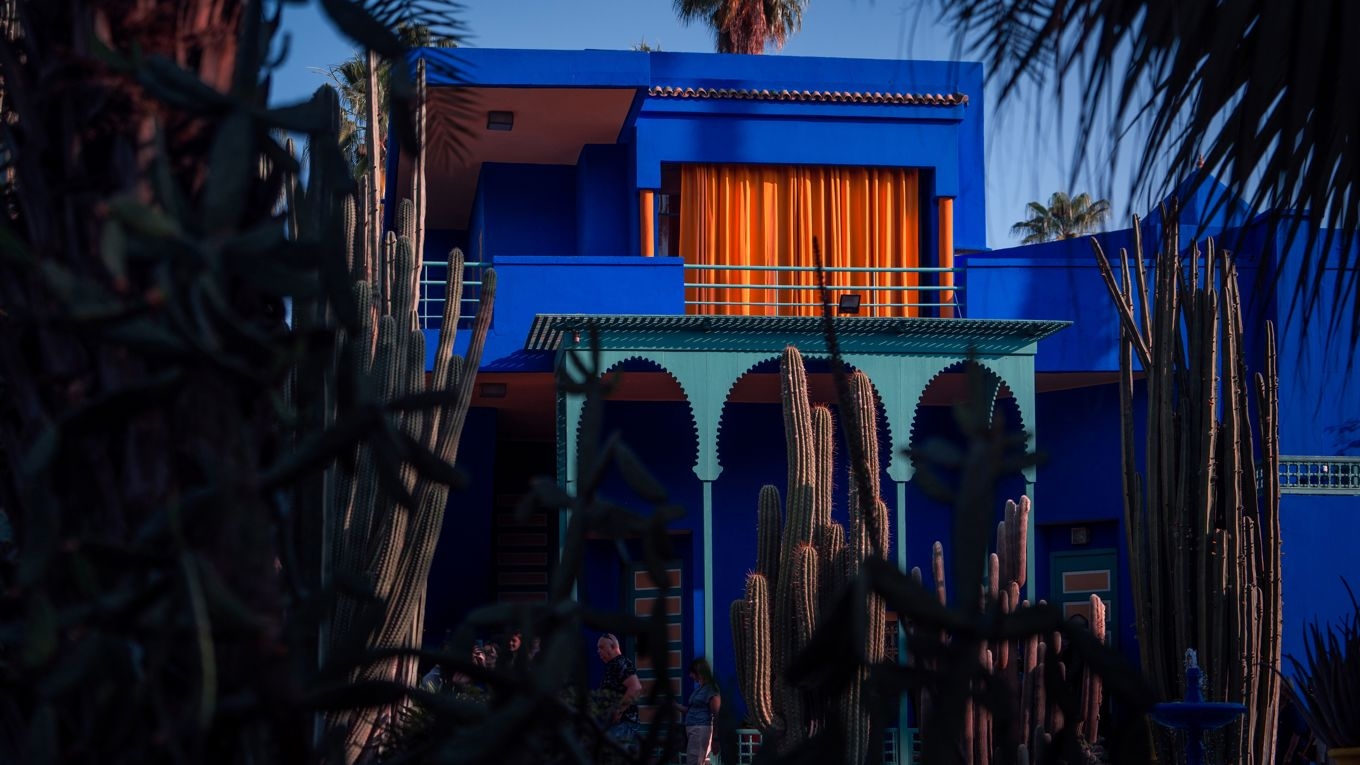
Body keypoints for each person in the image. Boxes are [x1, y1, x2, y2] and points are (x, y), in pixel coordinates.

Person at [596, 633, 642, 750]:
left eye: (601, 647)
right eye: (598, 648)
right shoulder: (612, 666)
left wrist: (619, 710)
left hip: (621, 724)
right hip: (613, 724)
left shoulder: (621, 663)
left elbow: (635, 687)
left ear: (613, 647)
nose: (598, 651)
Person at [680, 657, 721, 765]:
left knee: (694, 761)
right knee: (702, 761)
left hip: (700, 729)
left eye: (692, 673)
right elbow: (690, 710)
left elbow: (716, 713)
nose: (690, 676)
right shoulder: (699, 689)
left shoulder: (711, 689)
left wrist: (715, 738)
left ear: (699, 673)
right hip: (693, 729)